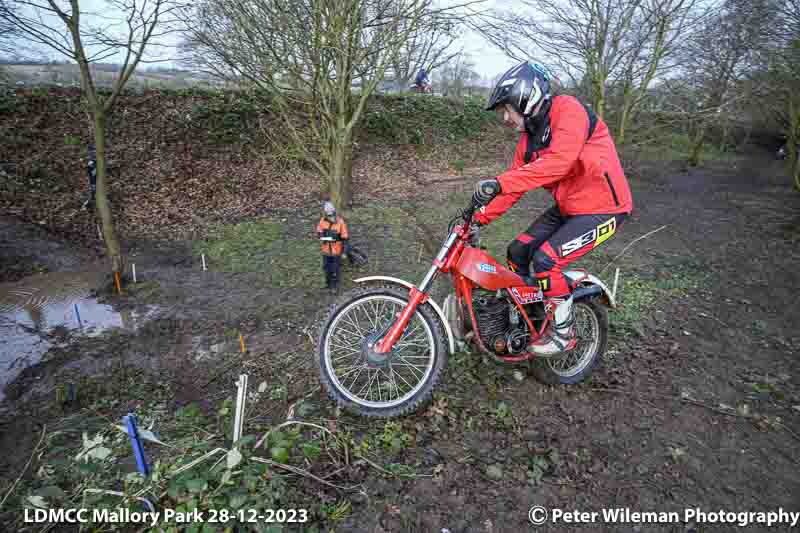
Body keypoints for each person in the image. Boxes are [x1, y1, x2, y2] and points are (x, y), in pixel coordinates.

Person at [473, 61, 633, 356]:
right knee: (517, 252)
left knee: (547, 261)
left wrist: (500, 182)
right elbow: (515, 186)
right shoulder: (528, 140)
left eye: (506, 109)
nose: (504, 118)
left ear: (525, 96)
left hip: (605, 207)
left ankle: (564, 333)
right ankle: (530, 316)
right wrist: (477, 217)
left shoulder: (567, 110)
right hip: (570, 206)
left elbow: (560, 162)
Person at [317, 201, 349, 293]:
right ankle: (328, 285)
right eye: (327, 211)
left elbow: (345, 238)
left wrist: (344, 252)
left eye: (331, 210)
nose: (329, 213)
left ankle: (334, 286)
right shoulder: (322, 221)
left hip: (336, 251)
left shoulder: (340, 222)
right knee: (327, 268)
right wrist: (323, 236)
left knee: (335, 269)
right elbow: (319, 233)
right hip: (326, 250)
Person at [81, 144, 97, 211]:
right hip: (93, 181)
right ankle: (88, 204)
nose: (93, 153)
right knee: (92, 192)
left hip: (95, 180)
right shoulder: (90, 162)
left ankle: (90, 204)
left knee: (93, 192)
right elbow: (90, 171)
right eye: (92, 152)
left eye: (94, 151)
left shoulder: (94, 161)